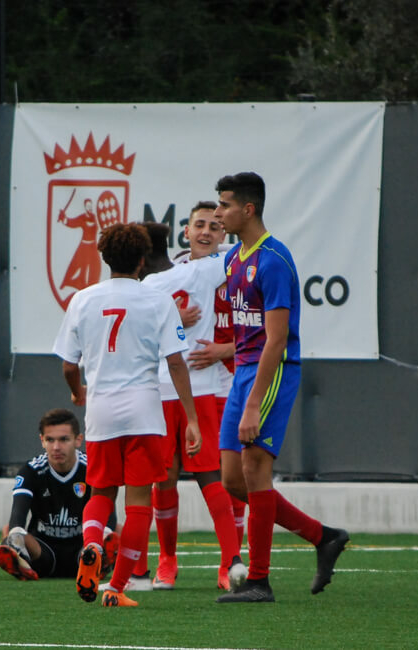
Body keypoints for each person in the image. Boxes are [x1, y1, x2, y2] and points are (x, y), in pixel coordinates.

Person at [211, 172, 349, 604]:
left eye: (225, 205)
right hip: (244, 374)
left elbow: (276, 339)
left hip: (272, 373)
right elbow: (248, 332)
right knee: (233, 479)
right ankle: (322, 536)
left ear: (248, 209)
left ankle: (259, 581)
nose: (218, 213)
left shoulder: (272, 260)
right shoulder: (233, 259)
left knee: (255, 470)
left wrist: (254, 405)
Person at [53, 222, 201, 608]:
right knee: (138, 502)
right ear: (141, 261)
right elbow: (176, 363)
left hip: (102, 410)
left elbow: (69, 365)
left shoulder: (83, 299)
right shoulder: (158, 300)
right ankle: (116, 588)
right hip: (144, 412)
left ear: (105, 258)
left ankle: (91, 545)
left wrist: (78, 391)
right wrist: (191, 417)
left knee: (101, 492)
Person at [140, 202, 246, 592]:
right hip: (170, 388)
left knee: (225, 475)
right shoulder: (171, 275)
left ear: (224, 234)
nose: (206, 232)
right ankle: (166, 560)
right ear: (185, 231)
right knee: (164, 476)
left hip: (222, 386)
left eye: (215, 227)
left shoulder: (239, 271)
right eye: (199, 225)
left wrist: (225, 350)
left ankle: (230, 562)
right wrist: (169, 315)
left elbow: (267, 332)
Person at [0, 408, 119, 581]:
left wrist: (100, 540)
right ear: (42, 441)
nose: (56, 447)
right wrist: (15, 537)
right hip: (42, 551)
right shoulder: (31, 470)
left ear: (78, 440)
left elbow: (109, 517)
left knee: (116, 530)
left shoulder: (92, 467)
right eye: (50, 440)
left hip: (85, 547)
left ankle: (98, 561)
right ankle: (21, 563)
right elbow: (18, 518)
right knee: (10, 531)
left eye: (64, 440)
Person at [58, 197, 101, 291]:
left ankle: (93, 288)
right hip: (84, 246)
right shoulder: (82, 217)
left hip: (93, 247)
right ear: (85, 207)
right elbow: (72, 222)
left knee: (95, 267)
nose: (90, 208)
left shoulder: (95, 217)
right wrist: (64, 218)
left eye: (90, 206)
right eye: (88, 206)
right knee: (76, 264)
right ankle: (67, 282)